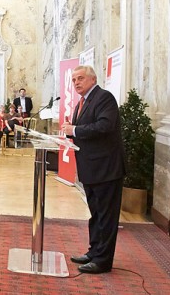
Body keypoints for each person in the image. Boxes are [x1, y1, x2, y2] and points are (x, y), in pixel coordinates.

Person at [61, 65, 125, 274]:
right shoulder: (83, 102)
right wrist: (71, 133)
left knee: (106, 215)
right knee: (96, 214)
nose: (76, 83)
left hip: (106, 168)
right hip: (91, 167)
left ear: (92, 79)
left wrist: (75, 129)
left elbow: (104, 126)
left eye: (80, 78)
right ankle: (94, 251)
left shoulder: (104, 98)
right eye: (73, 80)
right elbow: (87, 131)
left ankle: (103, 260)